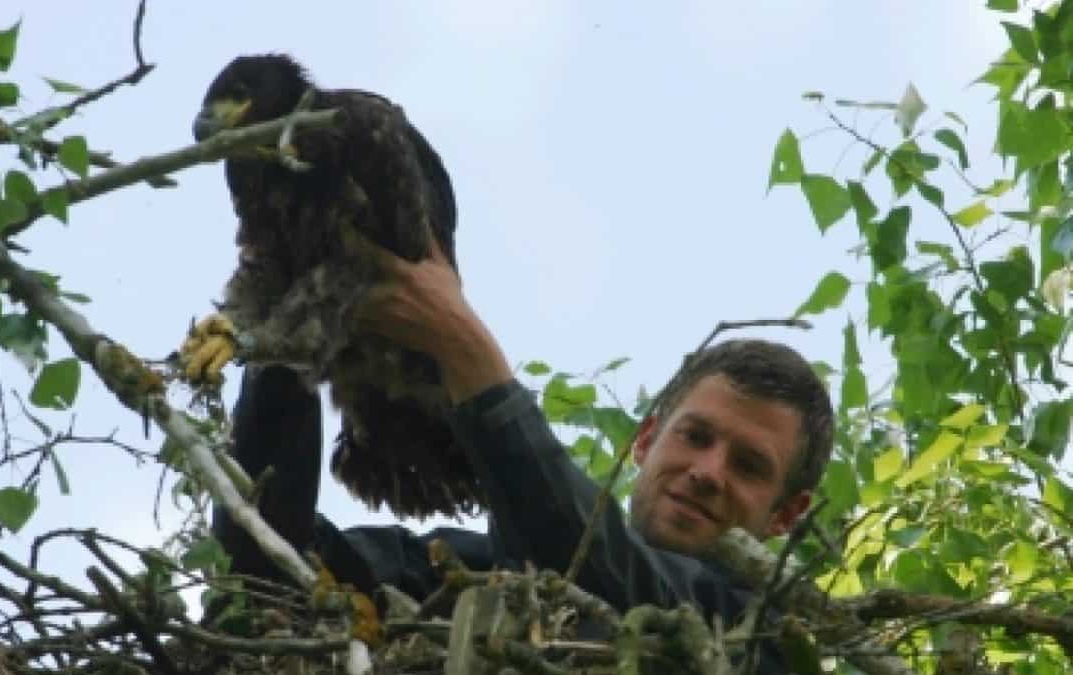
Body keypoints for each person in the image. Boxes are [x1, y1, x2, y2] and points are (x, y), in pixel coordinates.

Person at [213, 236, 834, 671]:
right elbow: (275, 566)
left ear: (788, 513)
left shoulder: (766, 646)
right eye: (695, 437)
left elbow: (591, 560)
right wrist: (287, 337)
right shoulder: (468, 575)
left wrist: (463, 350)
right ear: (644, 441)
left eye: (749, 466)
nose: (707, 472)